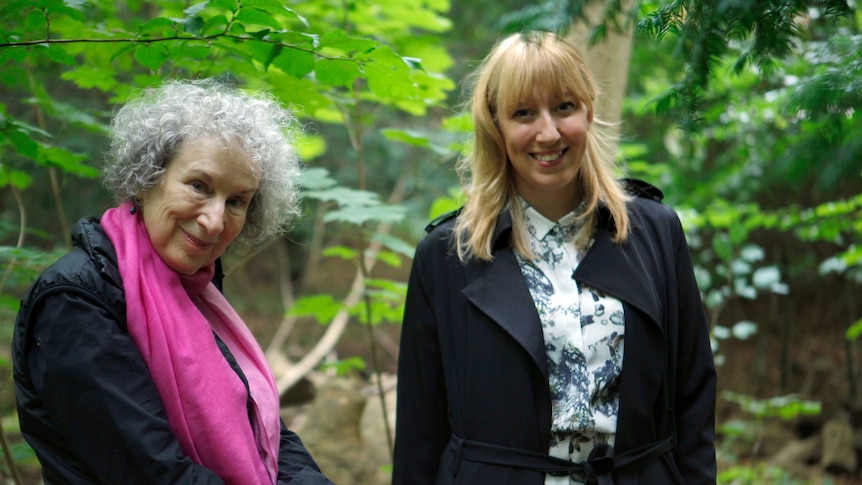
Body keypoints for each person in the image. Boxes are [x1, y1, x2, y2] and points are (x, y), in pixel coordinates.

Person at [392, 31, 716, 485]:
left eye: (564, 107)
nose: (548, 132)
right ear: (495, 125)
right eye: (524, 113)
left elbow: (693, 398)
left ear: (588, 110)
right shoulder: (448, 256)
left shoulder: (655, 232)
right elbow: (419, 436)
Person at [12, 79, 334, 485]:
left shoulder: (199, 290)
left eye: (236, 201)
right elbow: (153, 472)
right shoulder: (75, 301)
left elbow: (264, 430)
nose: (214, 221)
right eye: (199, 186)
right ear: (148, 178)